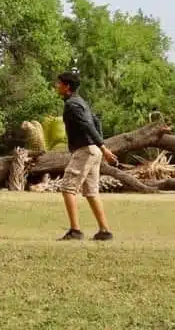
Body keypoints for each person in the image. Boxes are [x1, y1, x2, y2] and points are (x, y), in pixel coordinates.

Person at [55, 71, 118, 241]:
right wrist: (100, 147)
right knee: (91, 192)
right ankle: (104, 231)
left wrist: (103, 148)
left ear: (66, 86)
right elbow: (96, 121)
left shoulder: (72, 105)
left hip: (85, 150)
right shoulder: (80, 102)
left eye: (58, 83)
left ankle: (75, 230)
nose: (56, 86)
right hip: (92, 151)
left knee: (67, 188)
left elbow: (87, 125)